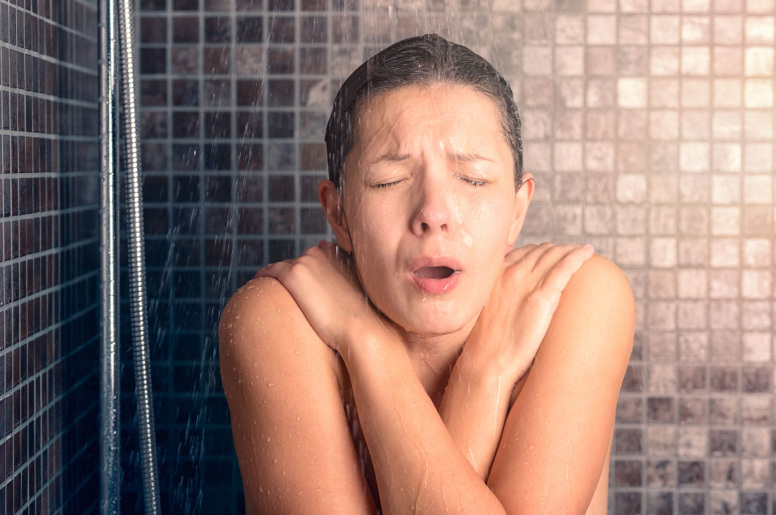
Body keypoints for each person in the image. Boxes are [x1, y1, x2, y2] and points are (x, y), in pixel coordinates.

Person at [219, 33, 635, 515]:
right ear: (339, 214)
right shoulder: (277, 320)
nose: (434, 212)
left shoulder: (573, 298)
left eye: (473, 178)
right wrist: (371, 344)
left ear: (517, 211)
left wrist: (485, 370)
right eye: (389, 180)